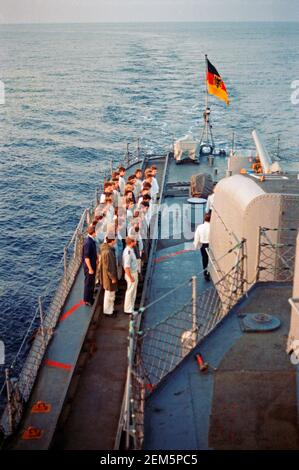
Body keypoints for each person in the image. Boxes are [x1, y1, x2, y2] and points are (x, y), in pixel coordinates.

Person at [98, 237, 118, 316]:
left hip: (108, 276)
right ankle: (108, 311)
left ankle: (110, 309)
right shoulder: (108, 252)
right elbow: (108, 267)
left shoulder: (106, 250)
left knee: (110, 294)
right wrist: (112, 277)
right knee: (109, 294)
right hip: (108, 278)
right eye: (114, 239)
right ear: (112, 241)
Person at [122, 236, 139, 315]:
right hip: (131, 274)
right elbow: (126, 267)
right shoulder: (128, 252)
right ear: (131, 242)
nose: (136, 242)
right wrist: (131, 277)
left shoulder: (130, 250)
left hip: (133, 273)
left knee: (133, 291)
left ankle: (131, 307)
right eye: (134, 241)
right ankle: (128, 309)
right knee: (130, 291)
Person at [83, 225, 98, 305]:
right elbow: (86, 258)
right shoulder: (88, 243)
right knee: (88, 283)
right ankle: (87, 300)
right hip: (90, 267)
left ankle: (90, 295)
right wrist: (90, 269)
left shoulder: (91, 240)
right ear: (94, 232)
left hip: (92, 264)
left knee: (91, 282)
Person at [194, 213, 211, 281]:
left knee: (204, 259)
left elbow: (196, 237)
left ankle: (205, 273)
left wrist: (196, 245)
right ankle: (209, 271)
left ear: (204, 219)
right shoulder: (211, 227)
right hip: (210, 244)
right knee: (210, 259)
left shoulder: (200, 226)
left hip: (203, 245)